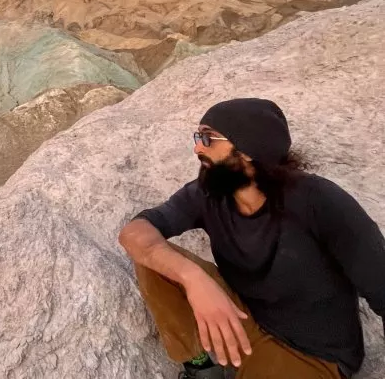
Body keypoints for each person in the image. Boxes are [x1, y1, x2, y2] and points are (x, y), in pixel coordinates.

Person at [117, 98, 385, 378]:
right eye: (198, 137)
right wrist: (193, 279)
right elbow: (135, 233)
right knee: (153, 258)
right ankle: (202, 368)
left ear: (246, 150)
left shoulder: (319, 202)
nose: (197, 147)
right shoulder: (209, 192)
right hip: (242, 322)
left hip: (311, 356)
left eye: (207, 138)